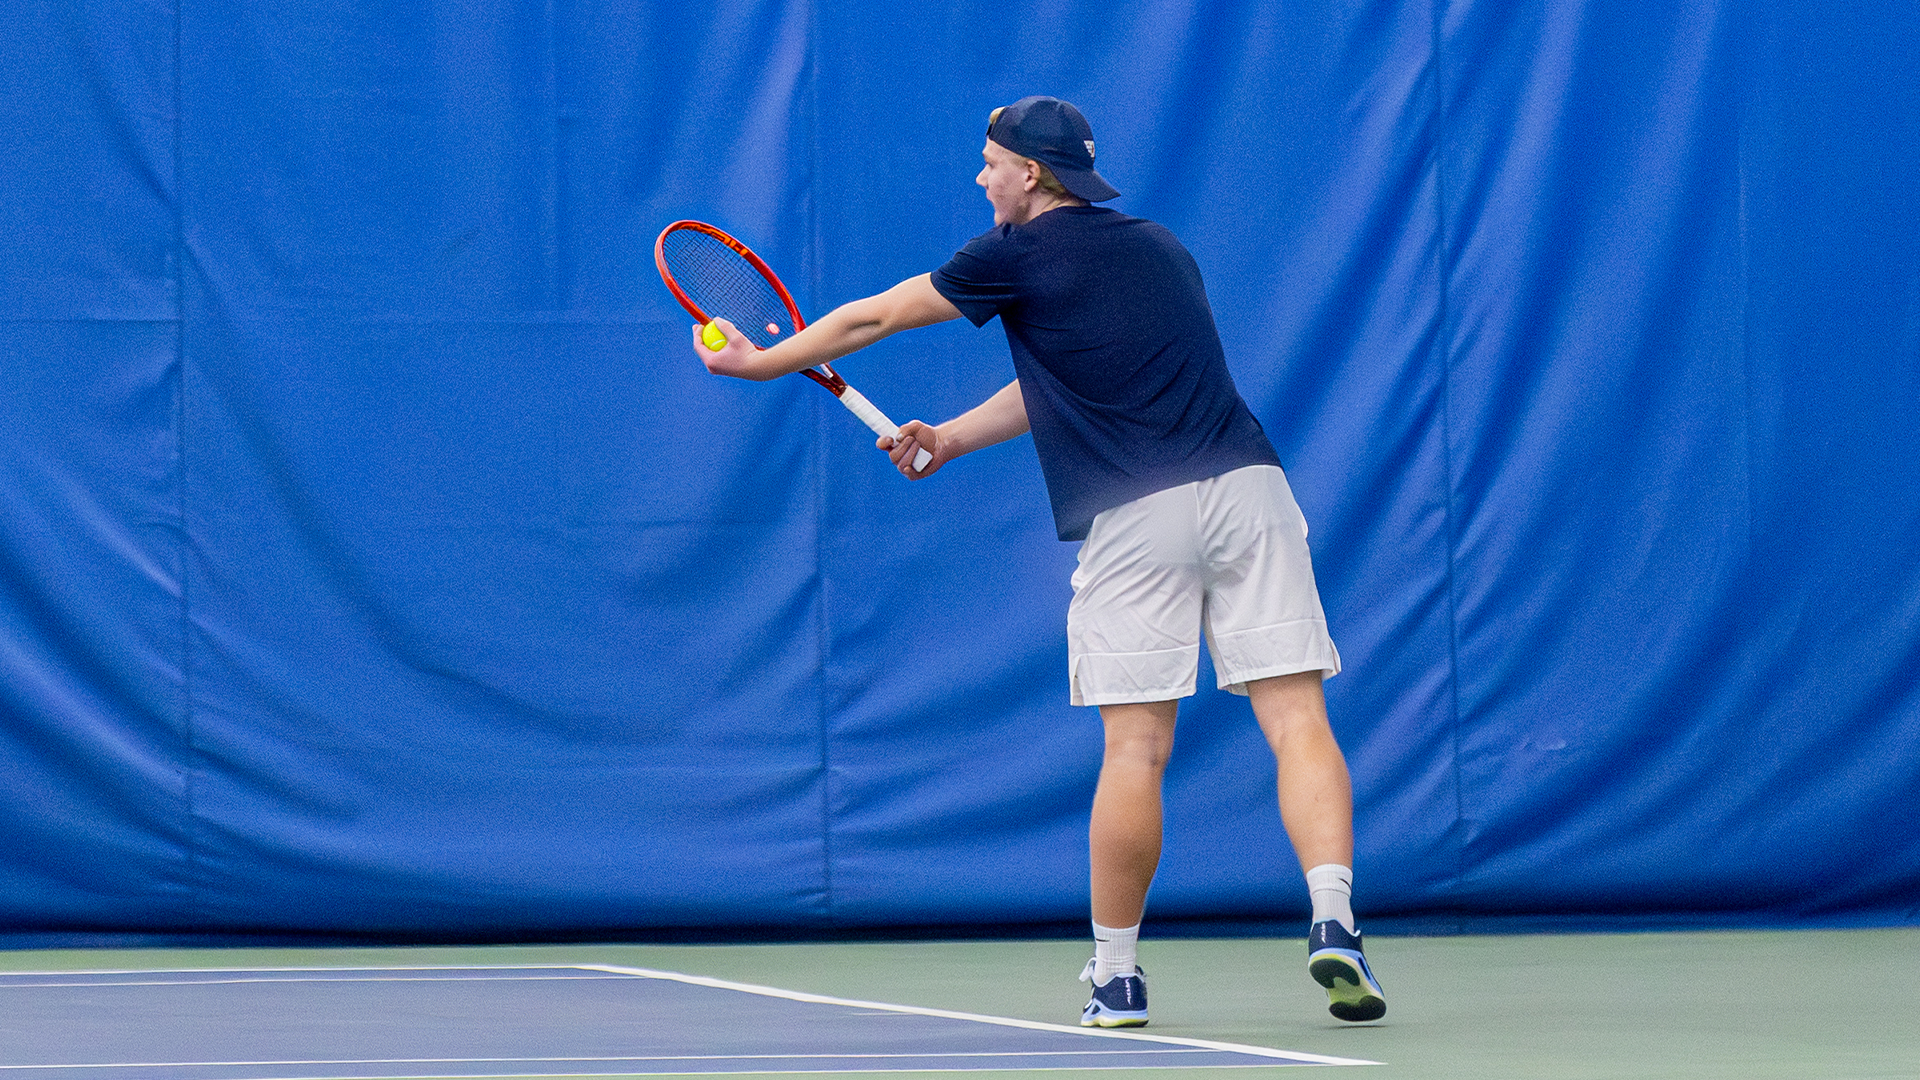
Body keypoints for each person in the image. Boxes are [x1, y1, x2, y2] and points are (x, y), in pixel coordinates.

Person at [694, 96, 1385, 1026]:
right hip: (1252, 493)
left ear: (1031, 173)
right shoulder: (1160, 248)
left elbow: (870, 321)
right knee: (1297, 716)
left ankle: (1116, 975)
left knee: (1137, 746)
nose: (981, 178)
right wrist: (948, 438)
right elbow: (1058, 378)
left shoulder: (1010, 255)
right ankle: (1335, 920)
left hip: (1140, 515)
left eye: (990, 163)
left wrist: (761, 365)